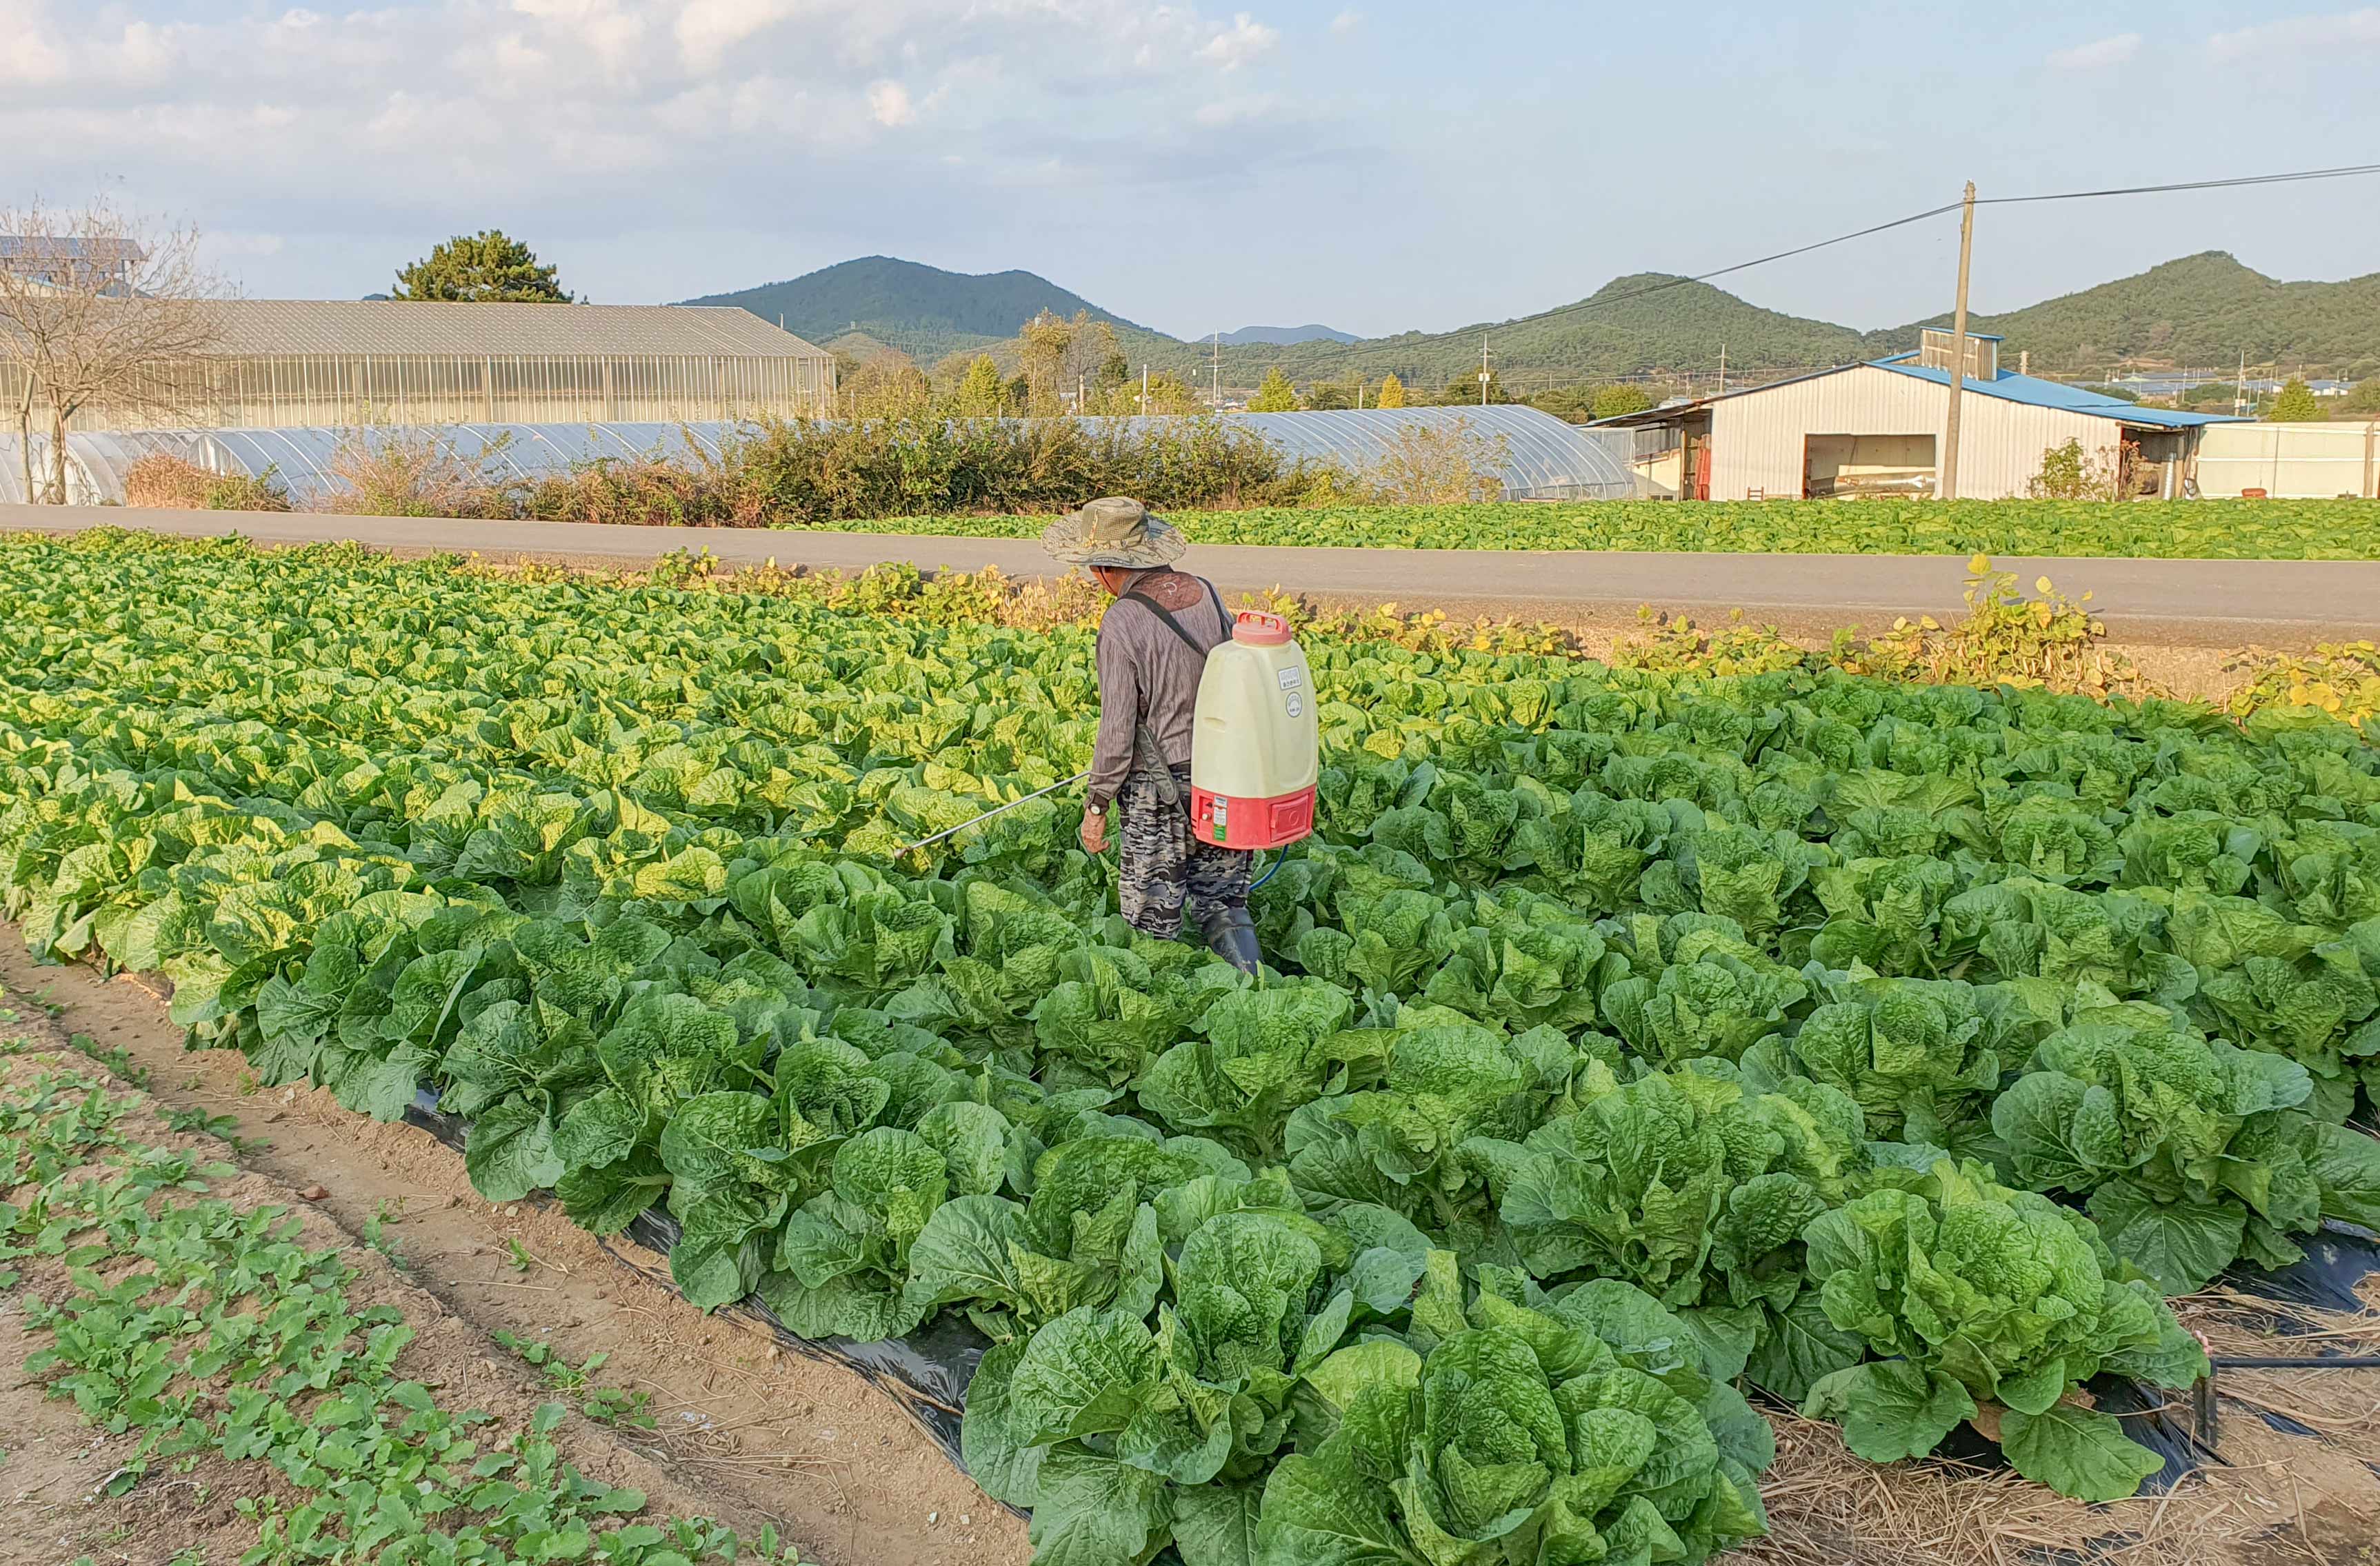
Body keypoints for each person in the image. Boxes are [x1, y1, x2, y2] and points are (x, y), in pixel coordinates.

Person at [1041, 496, 1261, 974]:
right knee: (1223, 900)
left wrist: (1096, 806)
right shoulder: (1206, 592)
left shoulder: (1122, 620)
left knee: (1150, 918)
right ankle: (1255, 990)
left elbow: (1117, 729)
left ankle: (1160, 1011)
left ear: (1102, 569)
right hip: (1224, 774)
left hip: (1156, 791)